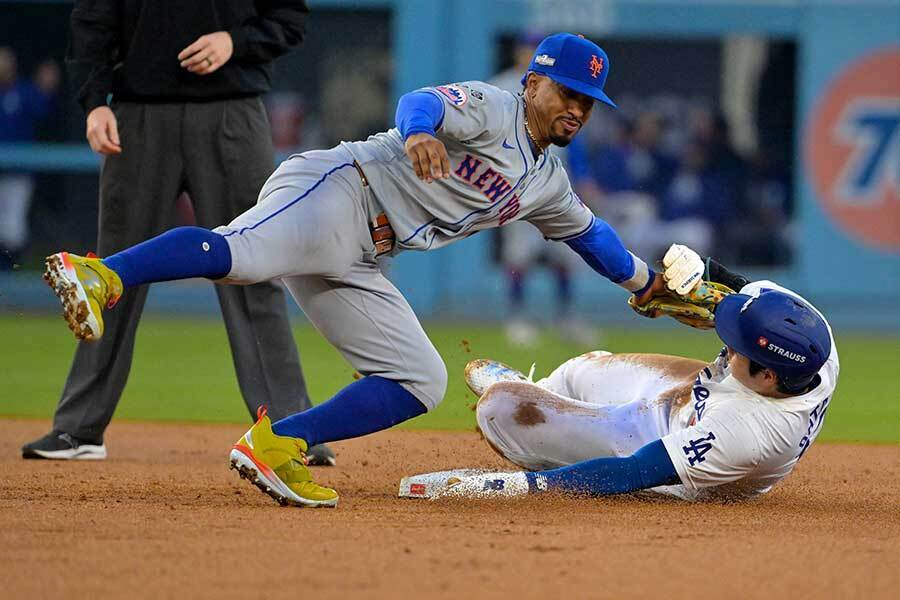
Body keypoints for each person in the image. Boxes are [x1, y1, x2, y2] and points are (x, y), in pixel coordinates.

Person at [42, 33, 669, 507]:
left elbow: (593, 237)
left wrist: (646, 284)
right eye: (568, 93)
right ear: (534, 83)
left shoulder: (546, 182)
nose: (578, 111)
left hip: (365, 253)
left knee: (420, 379)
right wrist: (420, 132)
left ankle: (276, 443)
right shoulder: (494, 107)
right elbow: (421, 101)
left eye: (589, 103)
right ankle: (101, 274)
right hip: (342, 190)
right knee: (241, 255)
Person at [23, 0, 335, 466]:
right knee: (109, 274)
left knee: (255, 267)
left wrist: (236, 41)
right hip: (138, 116)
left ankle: (289, 429)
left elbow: (289, 19)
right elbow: (92, 20)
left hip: (233, 111)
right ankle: (78, 428)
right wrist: (94, 103)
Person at [439, 249, 837, 502]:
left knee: (502, 409)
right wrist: (696, 278)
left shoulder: (745, 435)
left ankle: (541, 419)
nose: (727, 342)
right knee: (584, 368)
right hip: (697, 392)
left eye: (738, 346)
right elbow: (741, 290)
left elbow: (633, 471)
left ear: (767, 377)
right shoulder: (810, 336)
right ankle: (549, 395)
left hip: (682, 451)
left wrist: (524, 489)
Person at [491, 32, 596, 346]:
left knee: (564, 253)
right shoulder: (500, 86)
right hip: (513, 183)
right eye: (525, 49)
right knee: (519, 256)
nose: (528, 54)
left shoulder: (561, 88)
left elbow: (573, 142)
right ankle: (517, 317)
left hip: (554, 181)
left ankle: (566, 316)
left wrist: (583, 177)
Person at [0, 48, 60, 269]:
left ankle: (10, 276)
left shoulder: (23, 92)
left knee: (12, 230)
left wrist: (47, 89)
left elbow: (43, 111)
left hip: (18, 173)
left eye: (6, 63)